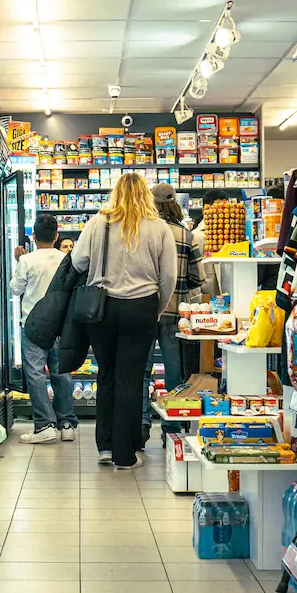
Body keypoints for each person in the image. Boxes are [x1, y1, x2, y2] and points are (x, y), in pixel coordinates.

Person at [70, 173, 175, 470]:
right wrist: (158, 306)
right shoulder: (159, 228)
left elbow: (78, 261)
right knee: (130, 379)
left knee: (106, 375)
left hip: (101, 308)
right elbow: (168, 276)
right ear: (146, 195)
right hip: (142, 307)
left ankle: (104, 446)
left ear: (114, 193)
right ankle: (125, 453)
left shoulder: (97, 223)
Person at [141, 182, 205, 441]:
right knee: (173, 371)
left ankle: (141, 425)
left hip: (144, 310)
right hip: (173, 312)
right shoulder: (186, 235)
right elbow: (197, 278)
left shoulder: (143, 232)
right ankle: (172, 428)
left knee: (142, 371)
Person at [10, 213, 78, 444]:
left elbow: (15, 290)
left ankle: (44, 424)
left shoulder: (27, 260)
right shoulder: (65, 259)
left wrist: (18, 260)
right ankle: (66, 423)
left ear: (34, 237)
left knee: (36, 374)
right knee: (62, 373)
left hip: (34, 324)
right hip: (61, 325)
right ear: (56, 236)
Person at [191, 188, 228, 298]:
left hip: (229, 295)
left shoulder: (230, 234)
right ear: (205, 210)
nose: (222, 211)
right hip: (207, 297)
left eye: (225, 207)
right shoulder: (197, 235)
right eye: (217, 207)